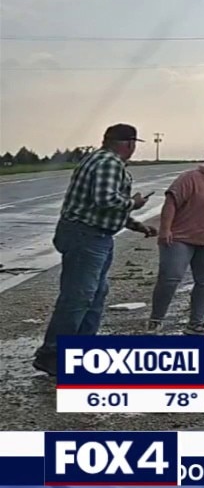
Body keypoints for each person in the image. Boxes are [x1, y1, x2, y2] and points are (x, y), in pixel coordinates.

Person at [33, 123, 157, 377]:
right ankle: (53, 354)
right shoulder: (108, 162)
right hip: (86, 236)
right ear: (128, 143)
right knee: (78, 298)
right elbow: (106, 200)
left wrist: (135, 225)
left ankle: (81, 352)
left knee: (95, 295)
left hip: (93, 235)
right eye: (132, 144)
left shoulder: (99, 160)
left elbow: (99, 206)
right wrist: (134, 203)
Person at [147, 139, 204, 335]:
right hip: (181, 238)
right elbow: (171, 202)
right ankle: (156, 319)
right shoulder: (189, 178)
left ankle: (196, 323)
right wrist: (165, 229)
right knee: (170, 279)